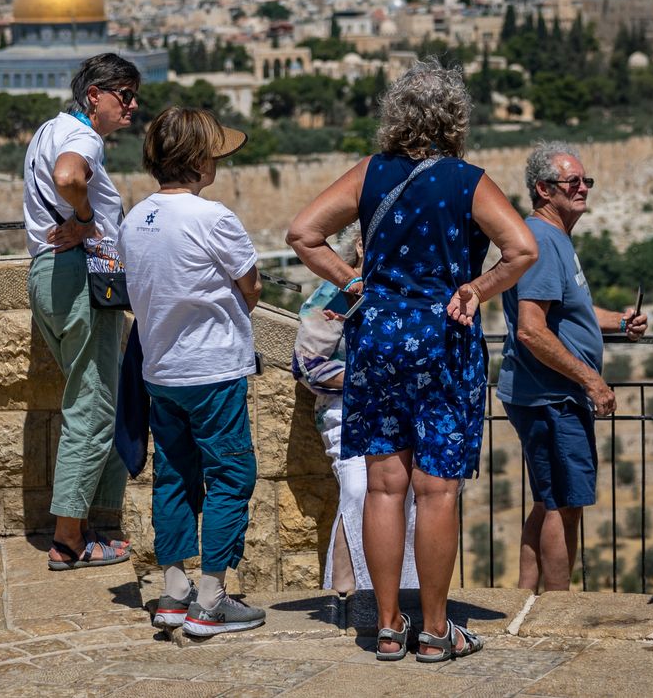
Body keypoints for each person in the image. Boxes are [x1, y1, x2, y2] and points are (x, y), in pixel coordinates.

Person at [286, 58, 538, 663]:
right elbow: (522, 248)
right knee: (437, 489)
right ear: (455, 118)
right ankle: (434, 629)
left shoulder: (369, 174)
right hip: (443, 338)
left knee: (383, 486)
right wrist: (476, 289)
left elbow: (303, 233)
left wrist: (353, 281)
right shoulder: (467, 180)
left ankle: (388, 627)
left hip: (376, 337)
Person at [118, 107, 265, 637]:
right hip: (212, 369)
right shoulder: (213, 217)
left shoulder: (133, 219)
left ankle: (173, 592)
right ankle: (211, 600)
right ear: (199, 161)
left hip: (160, 371)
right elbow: (251, 287)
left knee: (175, 476)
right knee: (231, 475)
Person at [499, 142, 647, 593]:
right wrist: (591, 380)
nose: (583, 189)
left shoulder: (551, 237)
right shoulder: (543, 241)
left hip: (548, 392)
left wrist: (619, 321)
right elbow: (531, 329)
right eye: (573, 182)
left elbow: (570, 310)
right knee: (566, 503)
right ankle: (560, 610)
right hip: (554, 395)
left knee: (548, 500)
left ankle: (527, 598)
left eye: (587, 182)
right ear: (544, 190)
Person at [22, 53, 140, 570]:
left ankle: (89, 521)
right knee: (91, 409)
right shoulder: (83, 138)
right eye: (124, 95)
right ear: (95, 95)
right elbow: (71, 177)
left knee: (88, 396)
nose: (133, 106)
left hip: (46, 275)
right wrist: (88, 220)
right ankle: (69, 540)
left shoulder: (48, 129)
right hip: (75, 275)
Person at [292, 234, 420, 604]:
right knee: (359, 490)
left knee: (409, 495)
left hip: (401, 411)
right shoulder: (334, 293)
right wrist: (371, 378)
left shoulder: (405, 293)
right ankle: (349, 590)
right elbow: (306, 364)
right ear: (361, 245)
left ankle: (404, 594)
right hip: (346, 410)